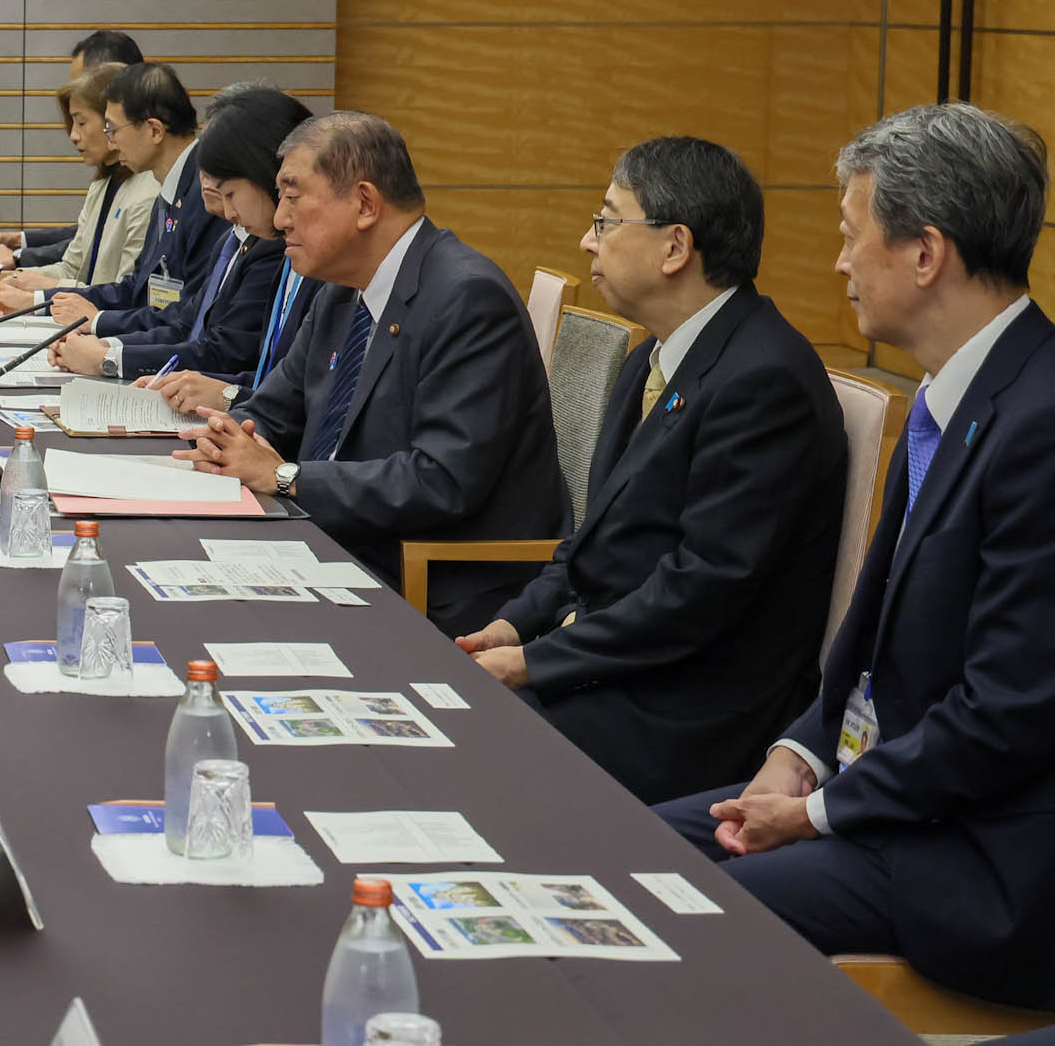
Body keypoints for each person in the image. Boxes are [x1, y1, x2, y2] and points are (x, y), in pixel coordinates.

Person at [655, 104, 1055, 1008]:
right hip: (895, 798)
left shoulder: (1039, 423)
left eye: (850, 235)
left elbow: (1009, 712)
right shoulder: (950, 397)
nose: (838, 264)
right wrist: (800, 753)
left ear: (926, 253)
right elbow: (871, 644)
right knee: (627, 847)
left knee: (684, 916)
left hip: (983, 856)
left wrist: (819, 811)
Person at [455, 138, 845, 802]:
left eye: (606, 221)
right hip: (621, 664)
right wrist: (515, 624)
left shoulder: (763, 379)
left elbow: (701, 591)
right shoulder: (654, 359)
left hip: (690, 706)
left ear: (675, 247)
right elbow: (594, 541)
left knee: (465, 743)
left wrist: (534, 662)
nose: (587, 240)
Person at [181, 111, 564, 637]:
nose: (280, 219)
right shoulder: (341, 291)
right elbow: (272, 411)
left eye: (293, 196)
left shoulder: (466, 297)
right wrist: (228, 440)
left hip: (431, 581)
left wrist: (287, 478)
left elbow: (441, 481)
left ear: (363, 203)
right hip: (334, 544)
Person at [59, 84, 320, 385]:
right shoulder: (235, 237)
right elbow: (188, 318)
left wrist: (109, 358)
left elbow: (232, 356)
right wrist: (110, 347)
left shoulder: (281, 251)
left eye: (228, 189)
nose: (205, 184)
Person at [0, 63, 229, 327]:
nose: (111, 142)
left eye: (113, 130)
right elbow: (134, 290)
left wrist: (99, 333)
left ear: (155, 130)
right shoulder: (170, 189)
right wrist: (36, 299)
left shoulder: (204, 196)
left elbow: (185, 317)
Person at [0, 64, 154, 291]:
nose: (73, 135)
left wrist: (26, 282)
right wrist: (3, 277)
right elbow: (70, 268)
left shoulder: (147, 194)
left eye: (81, 122)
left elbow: (123, 295)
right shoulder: (101, 187)